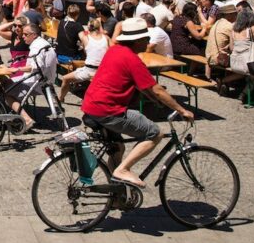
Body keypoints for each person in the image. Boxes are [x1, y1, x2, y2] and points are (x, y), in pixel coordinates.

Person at [81, 18, 194, 187]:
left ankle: (117, 193)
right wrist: (182, 110)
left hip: (91, 106)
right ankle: (123, 170)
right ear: (137, 41)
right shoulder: (132, 60)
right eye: (146, 39)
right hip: (108, 110)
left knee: (117, 149)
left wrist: (153, 99)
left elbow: (144, 87)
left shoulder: (115, 50)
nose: (149, 42)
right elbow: (157, 89)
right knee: (155, 133)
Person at [58, 17, 109, 104]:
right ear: (99, 27)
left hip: (89, 71)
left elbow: (83, 49)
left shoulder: (86, 38)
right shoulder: (106, 38)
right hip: (102, 70)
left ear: (89, 28)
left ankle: (60, 99)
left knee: (65, 78)